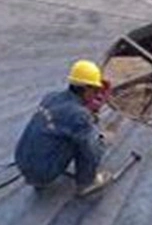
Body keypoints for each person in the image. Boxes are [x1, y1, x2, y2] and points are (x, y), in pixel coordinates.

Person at [15, 60, 111, 197]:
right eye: (95, 90)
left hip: (22, 162)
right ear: (86, 88)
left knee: (72, 132)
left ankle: (39, 172)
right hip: (42, 174)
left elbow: (64, 118)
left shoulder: (51, 97)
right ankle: (87, 183)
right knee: (92, 143)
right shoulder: (79, 115)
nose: (96, 94)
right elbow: (92, 150)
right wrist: (99, 137)